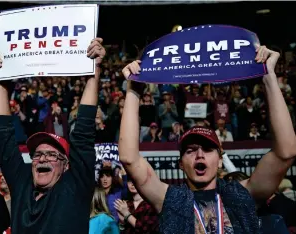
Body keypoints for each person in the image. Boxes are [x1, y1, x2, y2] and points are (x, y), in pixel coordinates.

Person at [118, 46, 296, 233]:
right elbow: (130, 159)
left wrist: (269, 77)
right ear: (180, 164)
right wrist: (133, 91)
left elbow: (286, 153)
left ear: (220, 160)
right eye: (191, 150)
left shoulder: (243, 193)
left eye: (208, 149)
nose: (200, 155)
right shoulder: (169, 198)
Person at [0, 37, 105, 234]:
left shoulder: (74, 186)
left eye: (52, 155)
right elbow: (2, 137)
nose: (42, 158)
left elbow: (83, 134)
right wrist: (0, 78)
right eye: (38, 154)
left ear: (66, 166)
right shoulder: (22, 184)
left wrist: (94, 71)